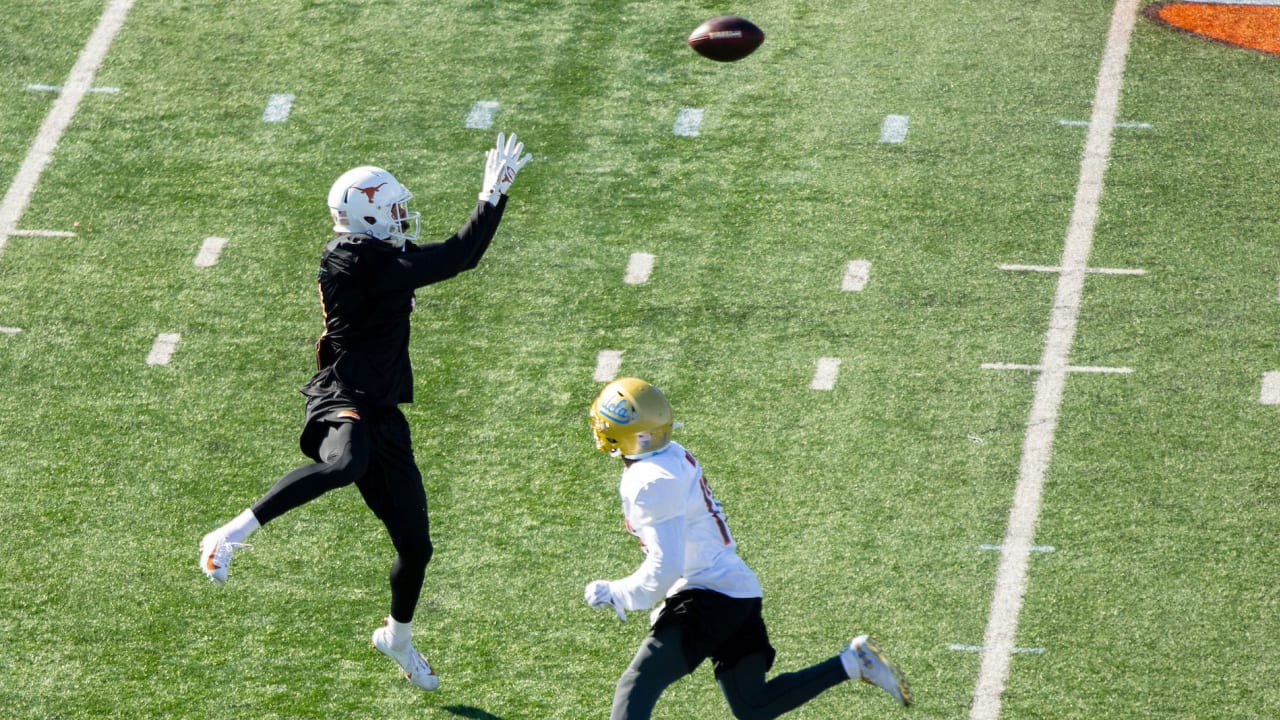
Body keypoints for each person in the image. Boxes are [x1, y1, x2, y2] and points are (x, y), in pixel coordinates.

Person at [198, 132, 532, 691]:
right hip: (341, 393)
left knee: (416, 548)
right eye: (393, 209)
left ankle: (396, 639)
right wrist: (490, 196)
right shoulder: (352, 257)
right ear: (366, 213)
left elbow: (452, 258)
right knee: (345, 462)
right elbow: (458, 257)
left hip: (379, 406)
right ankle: (228, 535)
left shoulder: (373, 254)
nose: (403, 217)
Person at [583, 378, 912, 719]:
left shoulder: (648, 482)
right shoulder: (669, 453)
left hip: (706, 596)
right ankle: (852, 662)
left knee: (637, 683)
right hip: (735, 589)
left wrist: (618, 593)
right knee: (753, 705)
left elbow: (664, 568)